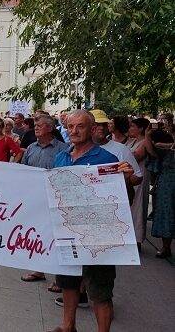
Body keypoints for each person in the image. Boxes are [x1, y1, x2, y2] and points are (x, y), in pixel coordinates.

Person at [50, 110, 134, 332]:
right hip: (67, 231)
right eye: (70, 127)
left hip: (98, 235)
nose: (74, 131)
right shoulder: (61, 157)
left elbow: (122, 199)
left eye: (80, 126)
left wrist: (123, 179)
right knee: (68, 282)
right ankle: (68, 327)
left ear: (92, 129)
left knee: (99, 291)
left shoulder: (107, 159)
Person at [18, 115, 68, 288]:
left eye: (39, 125)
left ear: (50, 128)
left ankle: (60, 278)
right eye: (36, 125)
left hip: (54, 200)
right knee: (37, 234)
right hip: (34, 199)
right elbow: (23, 171)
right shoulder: (31, 147)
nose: (36, 128)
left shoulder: (64, 149)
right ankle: (38, 269)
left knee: (56, 236)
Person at [144, 123, 174, 258]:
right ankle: (165, 247)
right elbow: (151, 150)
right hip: (167, 186)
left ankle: (166, 248)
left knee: (166, 214)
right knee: (166, 214)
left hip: (167, 185)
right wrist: (147, 135)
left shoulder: (165, 147)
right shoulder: (164, 147)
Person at [126, 118, 149, 247]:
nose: (130, 129)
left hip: (140, 175)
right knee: (130, 206)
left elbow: (136, 157)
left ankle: (137, 239)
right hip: (131, 175)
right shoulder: (132, 141)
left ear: (140, 128)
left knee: (138, 207)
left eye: (133, 126)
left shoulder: (144, 142)